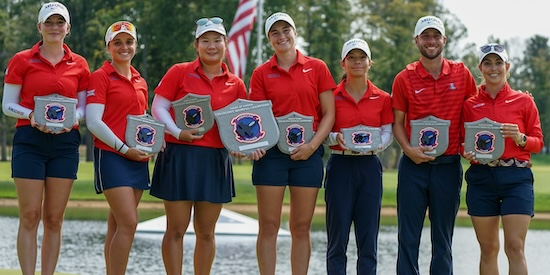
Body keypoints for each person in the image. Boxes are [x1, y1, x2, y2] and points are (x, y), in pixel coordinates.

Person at [149, 17, 249, 275]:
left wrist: (242, 147)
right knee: (176, 229)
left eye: (217, 40)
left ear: (226, 44)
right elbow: (158, 107)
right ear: (196, 45)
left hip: (215, 159)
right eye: (205, 40)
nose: (211, 45)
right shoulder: (179, 71)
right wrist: (177, 132)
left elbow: (241, 124)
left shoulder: (236, 84)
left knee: (206, 232)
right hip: (179, 155)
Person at [1, 2, 90, 274]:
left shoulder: (79, 64)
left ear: (68, 28)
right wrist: (31, 116)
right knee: (30, 216)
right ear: (39, 27)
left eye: (59, 23)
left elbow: (84, 106)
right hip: (30, 141)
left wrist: (73, 120)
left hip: (65, 144)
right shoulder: (22, 60)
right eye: (48, 23)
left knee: (54, 219)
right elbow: (8, 105)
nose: (54, 28)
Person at [248, 12, 336, 275]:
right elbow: (257, 118)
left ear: (295, 33)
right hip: (272, 156)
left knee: (300, 227)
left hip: (308, 154)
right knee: (269, 225)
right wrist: (255, 144)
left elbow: (329, 114)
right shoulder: (261, 73)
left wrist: (312, 147)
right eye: (275, 32)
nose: (282, 36)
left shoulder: (317, 67)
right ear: (268, 39)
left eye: (286, 30)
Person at [391, 15, 477, 274]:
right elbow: (397, 123)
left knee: (442, 240)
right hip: (413, 167)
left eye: (435, 36)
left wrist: (517, 95)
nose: (431, 41)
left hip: (448, 167)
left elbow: (478, 108)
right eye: (425, 36)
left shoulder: (462, 74)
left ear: (444, 40)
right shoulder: (404, 78)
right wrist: (408, 150)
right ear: (416, 40)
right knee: (408, 238)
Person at [462, 43, 543, 275]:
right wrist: (465, 151)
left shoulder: (524, 101)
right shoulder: (470, 104)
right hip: (481, 178)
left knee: (515, 247)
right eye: (488, 63)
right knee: (488, 249)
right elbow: (461, 140)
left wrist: (520, 138)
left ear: (507, 67)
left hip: (516, 177)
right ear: (480, 68)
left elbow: (538, 143)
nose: (493, 68)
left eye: (498, 63)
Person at [323, 38, 393, 275]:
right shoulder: (331, 95)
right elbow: (323, 130)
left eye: (361, 57)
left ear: (369, 62)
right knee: (337, 238)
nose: (357, 62)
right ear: (343, 63)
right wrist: (335, 138)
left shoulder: (383, 98)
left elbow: (387, 132)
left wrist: (375, 144)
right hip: (340, 166)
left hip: (369, 167)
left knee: (368, 239)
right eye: (351, 58)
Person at [85, 21, 150, 275]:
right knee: (129, 222)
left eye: (129, 41)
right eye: (117, 42)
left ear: (135, 45)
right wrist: (125, 149)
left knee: (116, 224)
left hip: (137, 158)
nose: (124, 47)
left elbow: (141, 118)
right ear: (108, 47)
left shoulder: (140, 80)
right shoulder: (99, 77)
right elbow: (93, 122)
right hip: (113, 155)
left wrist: (155, 139)